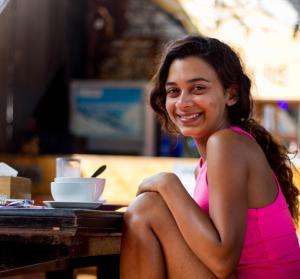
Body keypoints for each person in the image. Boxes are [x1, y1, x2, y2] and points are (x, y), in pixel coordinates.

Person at [120, 35, 300, 278]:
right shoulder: (213, 158)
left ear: (231, 95)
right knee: (147, 209)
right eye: (173, 91)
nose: (183, 102)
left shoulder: (226, 144)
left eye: (198, 88)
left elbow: (222, 261)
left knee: (148, 208)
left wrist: (166, 182)